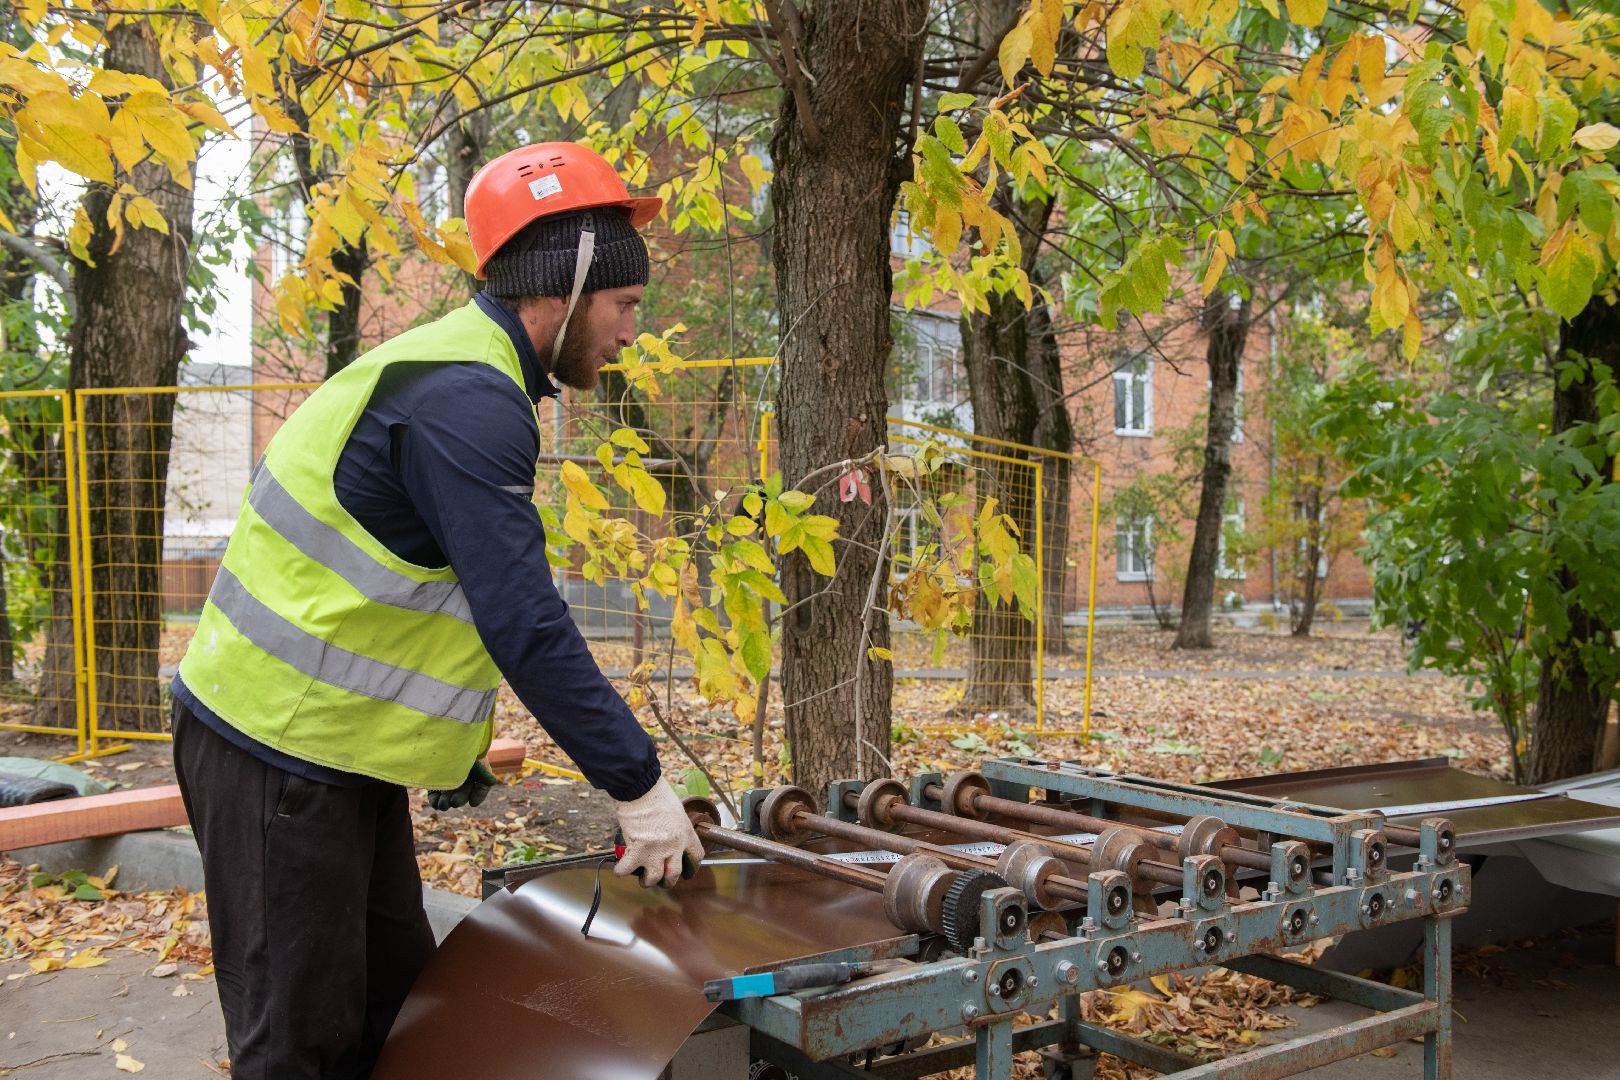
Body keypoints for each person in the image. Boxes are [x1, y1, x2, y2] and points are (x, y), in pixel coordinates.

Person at [170, 142, 705, 1080]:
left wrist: (455, 755)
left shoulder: (463, 376)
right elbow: (523, 619)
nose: (629, 334)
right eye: (624, 307)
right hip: (275, 754)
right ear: (569, 284)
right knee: (298, 1046)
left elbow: (426, 592)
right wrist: (639, 786)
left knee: (394, 1017)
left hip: (332, 755)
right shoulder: (466, 399)